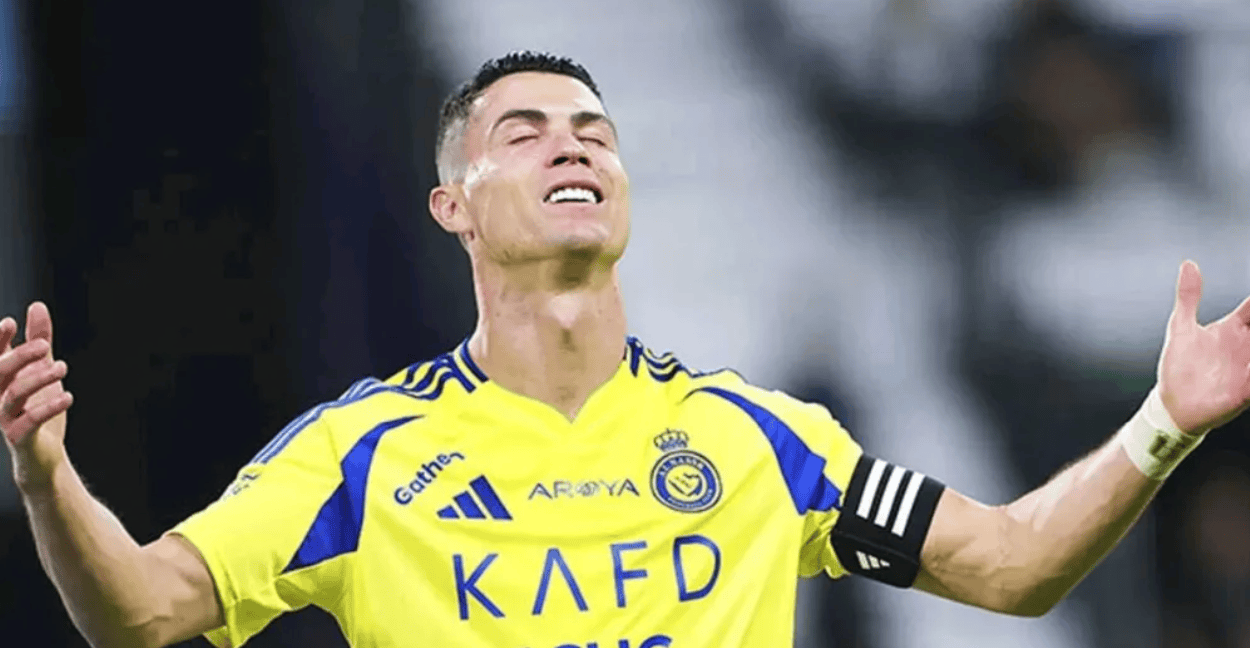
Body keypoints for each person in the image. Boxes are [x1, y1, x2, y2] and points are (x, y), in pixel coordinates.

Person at [3, 51, 1249, 648]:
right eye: (524, 132)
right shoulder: (361, 456)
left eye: (593, 131)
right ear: (451, 207)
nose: (572, 144)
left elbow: (1013, 568)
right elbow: (141, 613)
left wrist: (1163, 424)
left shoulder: (758, 441)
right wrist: (48, 480)